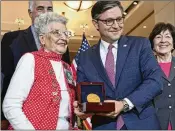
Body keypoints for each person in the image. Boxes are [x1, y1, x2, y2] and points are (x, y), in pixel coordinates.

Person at [74, 1, 163, 130]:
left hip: (142, 124)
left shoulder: (140, 45)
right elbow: (85, 92)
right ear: (95, 24)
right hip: (104, 125)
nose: (116, 25)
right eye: (109, 21)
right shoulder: (85, 57)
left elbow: (155, 81)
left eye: (119, 19)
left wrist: (124, 104)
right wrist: (83, 107)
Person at [1, 1, 71, 129]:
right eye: (56, 33)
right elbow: (11, 104)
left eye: (66, 33)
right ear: (42, 39)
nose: (63, 37)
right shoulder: (30, 59)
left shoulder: (67, 67)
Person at [149, 22, 175, 130]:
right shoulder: (146, 67)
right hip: (154, 124)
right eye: (158, 37)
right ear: (152, 44)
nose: (163, 41)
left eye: (168, 36)